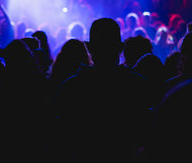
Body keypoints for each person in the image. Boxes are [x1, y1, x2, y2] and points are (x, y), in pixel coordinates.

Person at [55, 18, 150, 162]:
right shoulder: (138, 85)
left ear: (90, 48)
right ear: (120, 47)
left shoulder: (70, 88)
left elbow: (63, 142)